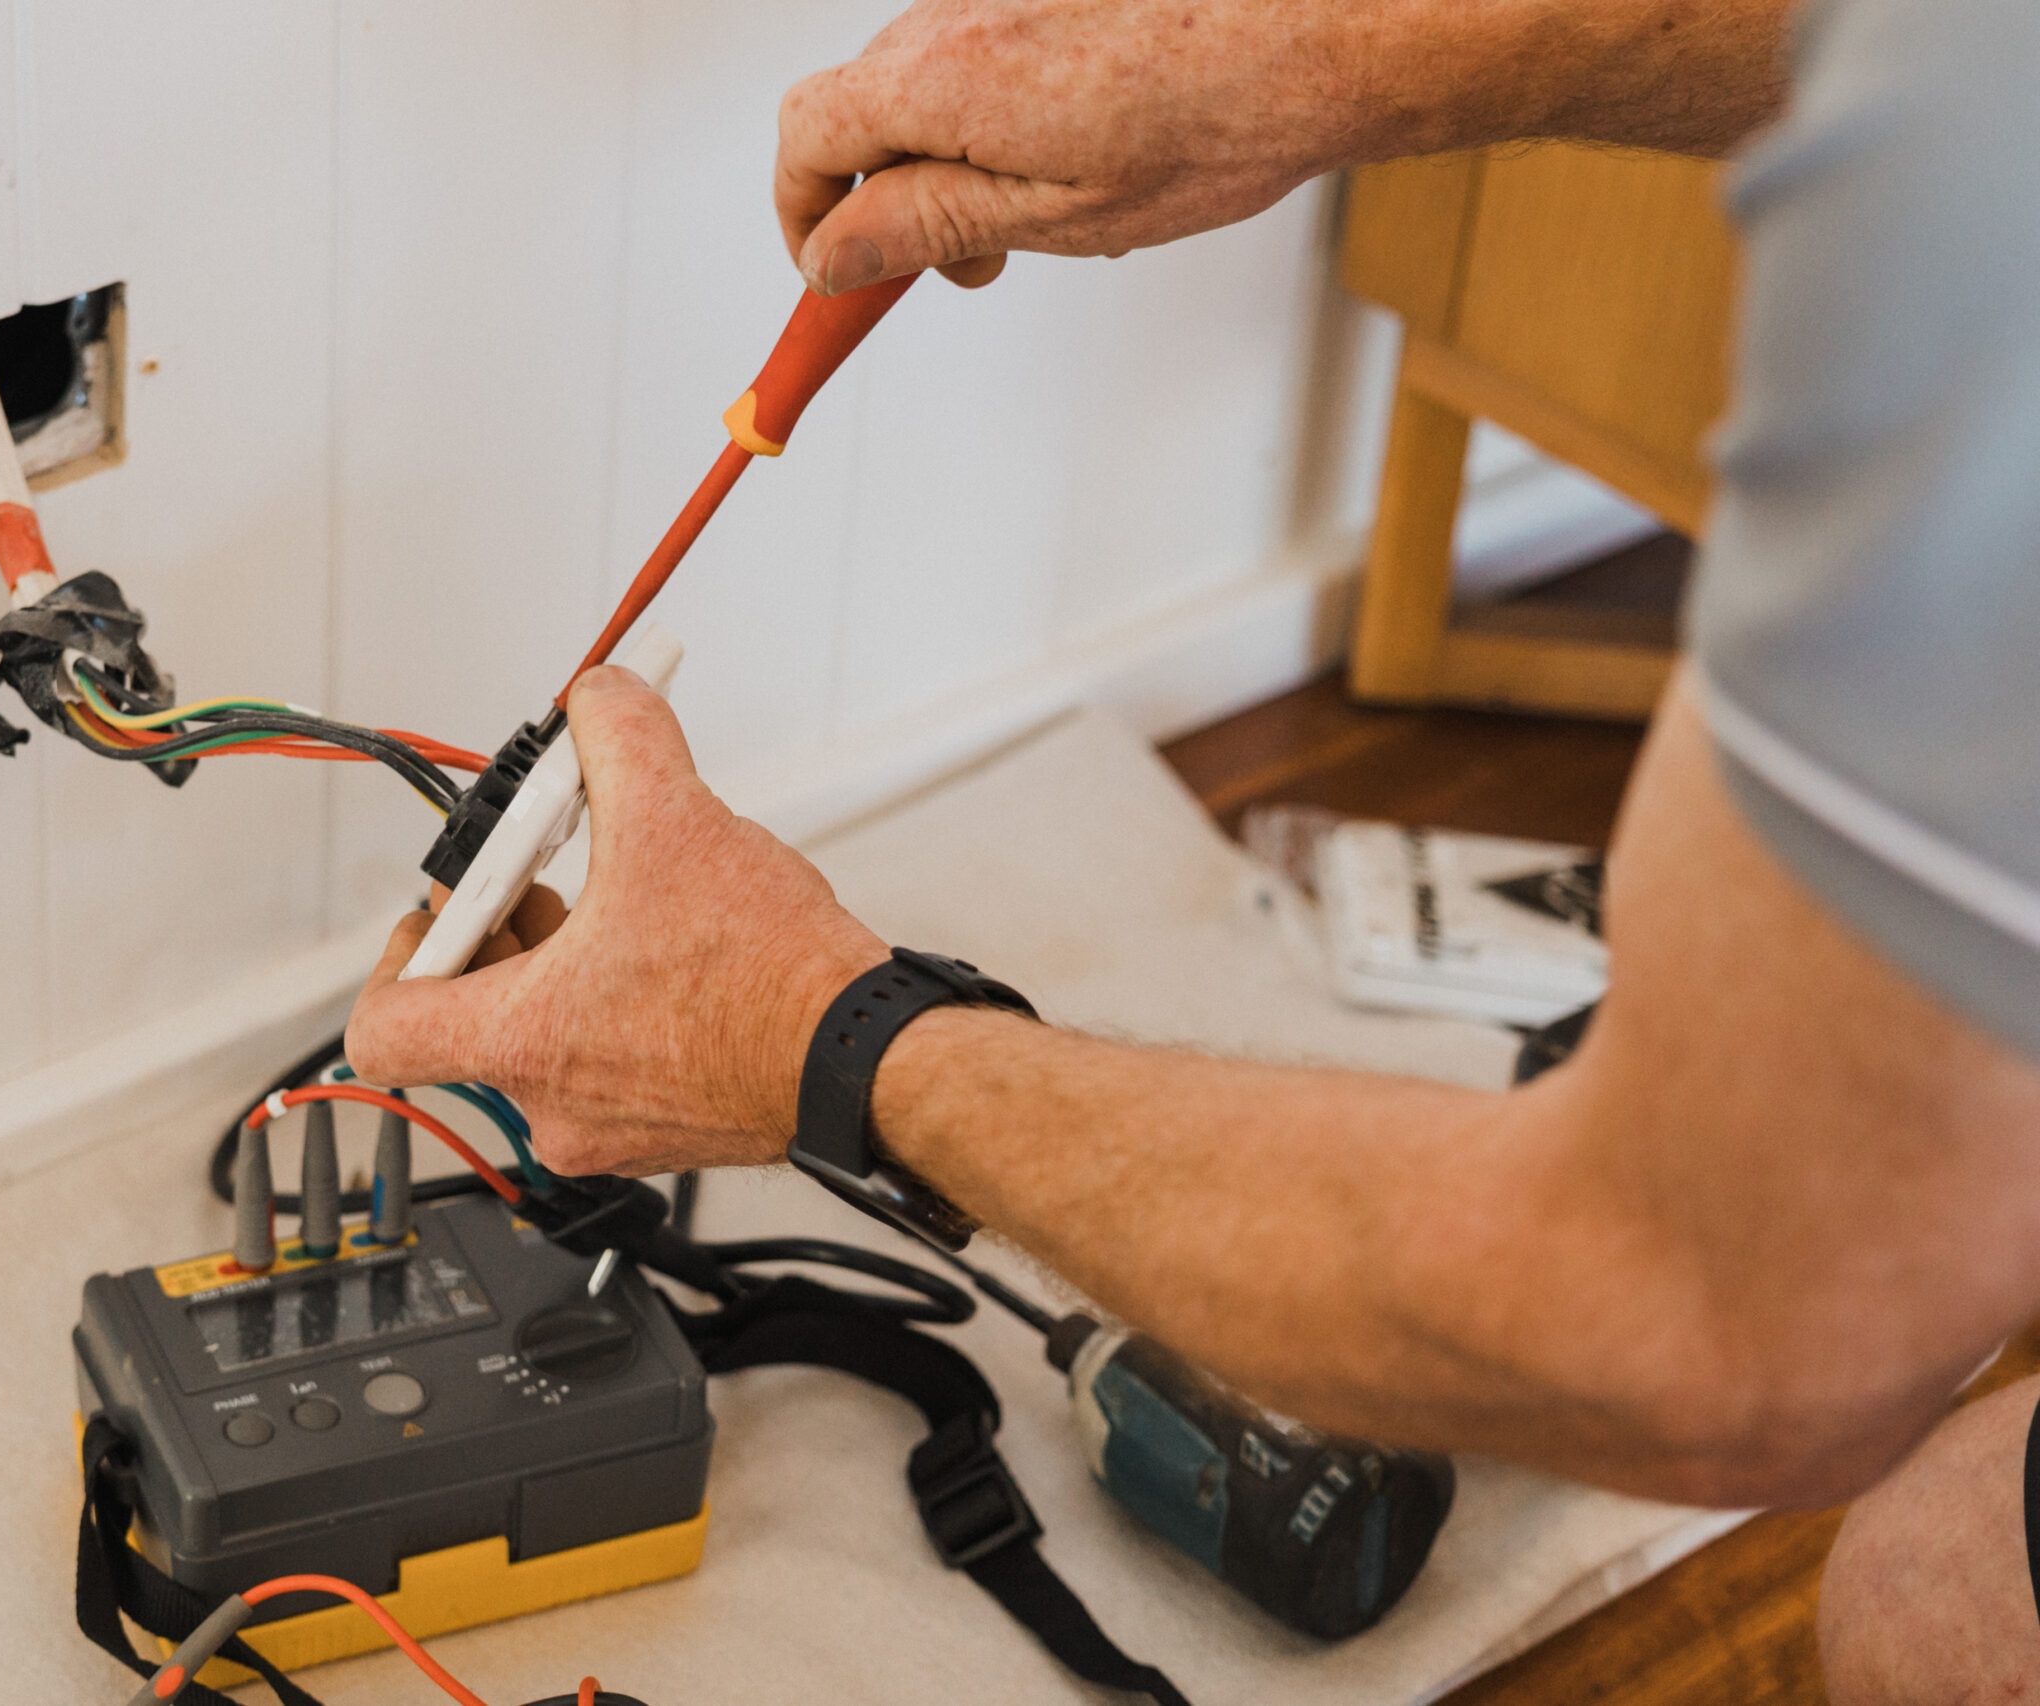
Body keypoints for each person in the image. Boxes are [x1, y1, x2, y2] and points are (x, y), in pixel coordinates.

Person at [349, 0, 2040, 1694]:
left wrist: (818, 1037)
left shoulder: (1968, 285)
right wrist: (1324, 58)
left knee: (1940, 1588)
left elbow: (1720, 1317)